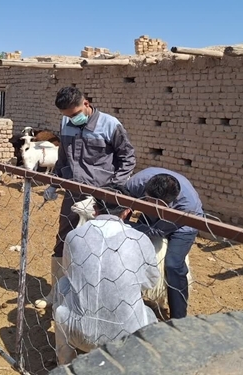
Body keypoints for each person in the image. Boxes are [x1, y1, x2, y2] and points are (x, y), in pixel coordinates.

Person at [34, 86, 136, 309]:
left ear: (86, 104)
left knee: (104, 244)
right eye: (66, 116)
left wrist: (113, 190)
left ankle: (102, 295)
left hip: (102, 197)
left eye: (74, 114)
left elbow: (127, 158)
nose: (71, 119)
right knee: (64, 239)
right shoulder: (66, 123)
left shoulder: (110, 125)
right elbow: (62, 158)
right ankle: (57, 292)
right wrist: (54, 182)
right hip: (73, 192)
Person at [53, 191, 160, 365]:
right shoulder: (141, 239)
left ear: (95, 209)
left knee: (63, 285)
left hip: (77, 333)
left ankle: (64, 363)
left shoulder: (74, 236)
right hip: (125, 338)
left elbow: (68, 271)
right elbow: (151, 281)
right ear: (126, 212)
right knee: (149, 313)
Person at [124, 167, 203, 319]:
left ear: (169, 201)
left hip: (182, 225)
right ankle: (131, 300)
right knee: (130, 251)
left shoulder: (188, 205)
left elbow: (157, 232)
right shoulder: (137, 183)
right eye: (149, 200)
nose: (154, 205)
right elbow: (122, 205)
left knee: (173, 265)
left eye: (158, 204)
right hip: (148, 216)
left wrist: (125, 225)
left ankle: (178, 317)